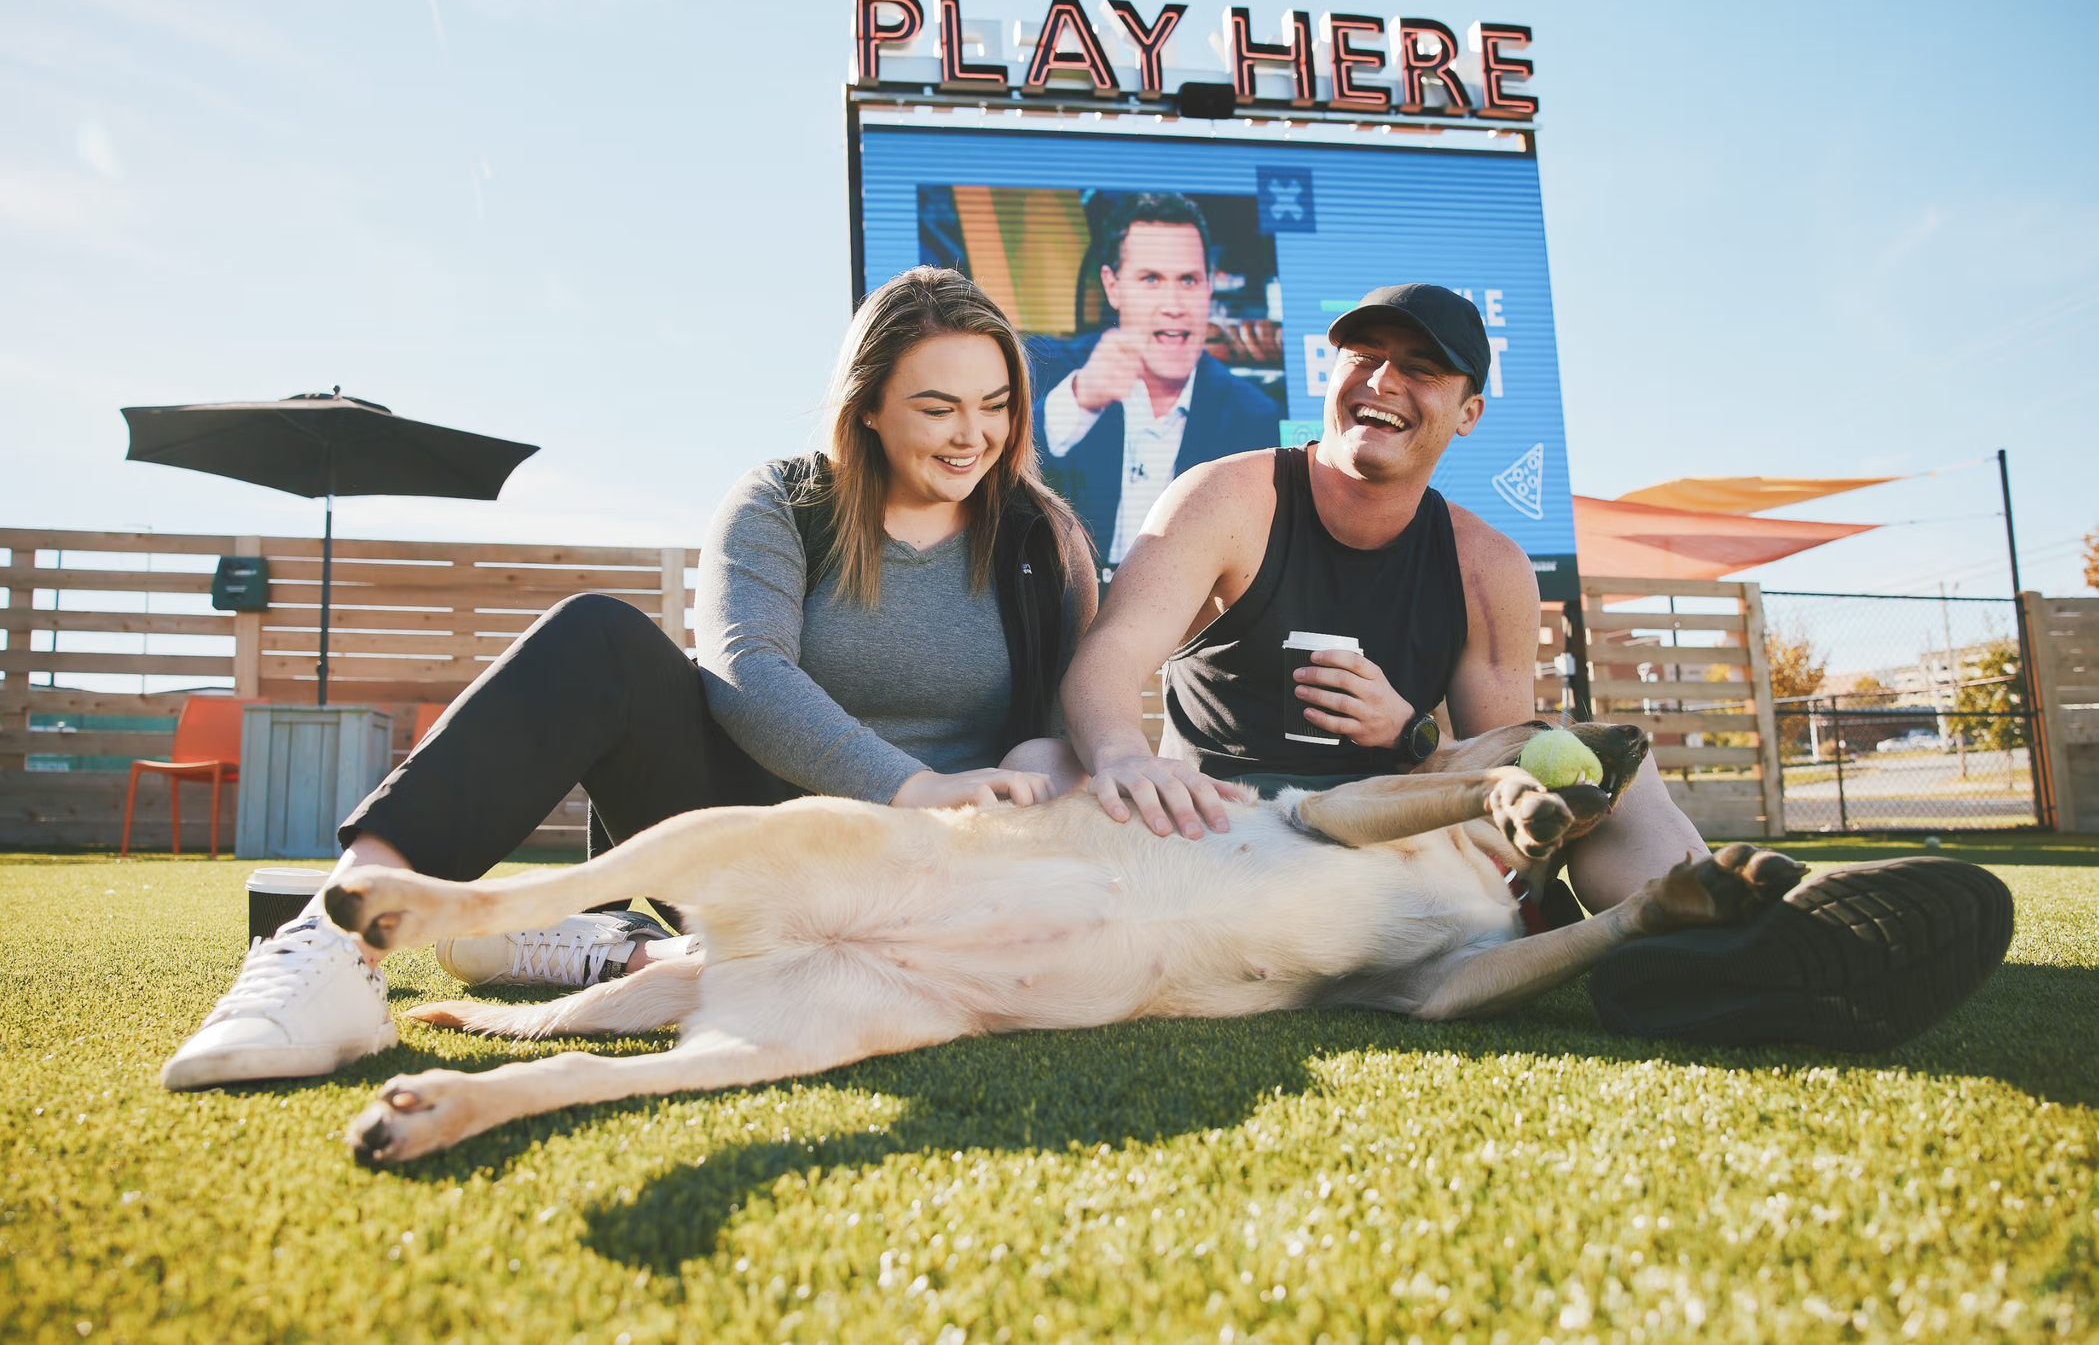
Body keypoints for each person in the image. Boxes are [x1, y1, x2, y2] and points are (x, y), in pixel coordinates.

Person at [161, 267, 1097, 1091]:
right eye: (937, 407)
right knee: (598, 634)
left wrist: (1014, 779)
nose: (972, 434)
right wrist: (911, 786)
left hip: (945, 880)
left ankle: (615, 946)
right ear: (866, 407)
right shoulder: (784, 502)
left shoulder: (1041, 536)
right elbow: (746, 673)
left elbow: (1071, 721)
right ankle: (337, 943)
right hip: (765, 843)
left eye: (995, 404)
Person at [1061, 283, 1706, 917]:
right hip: (1230, 835)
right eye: (1364, 357)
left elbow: (1502, 778)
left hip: (1396, 843)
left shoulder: (1490, 566)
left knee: (1619, 767)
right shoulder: (1224, 497)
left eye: (1419, 369)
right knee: (1049, 761)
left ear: (1468, 414)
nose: (1381, 381)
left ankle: (1712, 946)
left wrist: (1409, 733)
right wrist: (1122, 756)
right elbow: (1111, 653)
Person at [1029, 192, 1284, 570]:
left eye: (1188, 280)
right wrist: (1080, 400)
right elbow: (1002, 476)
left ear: (1209, 287)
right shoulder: (1045, 368)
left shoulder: (1255, 417)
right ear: (1113, 286)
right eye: (1151, 279)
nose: (1174, 305)